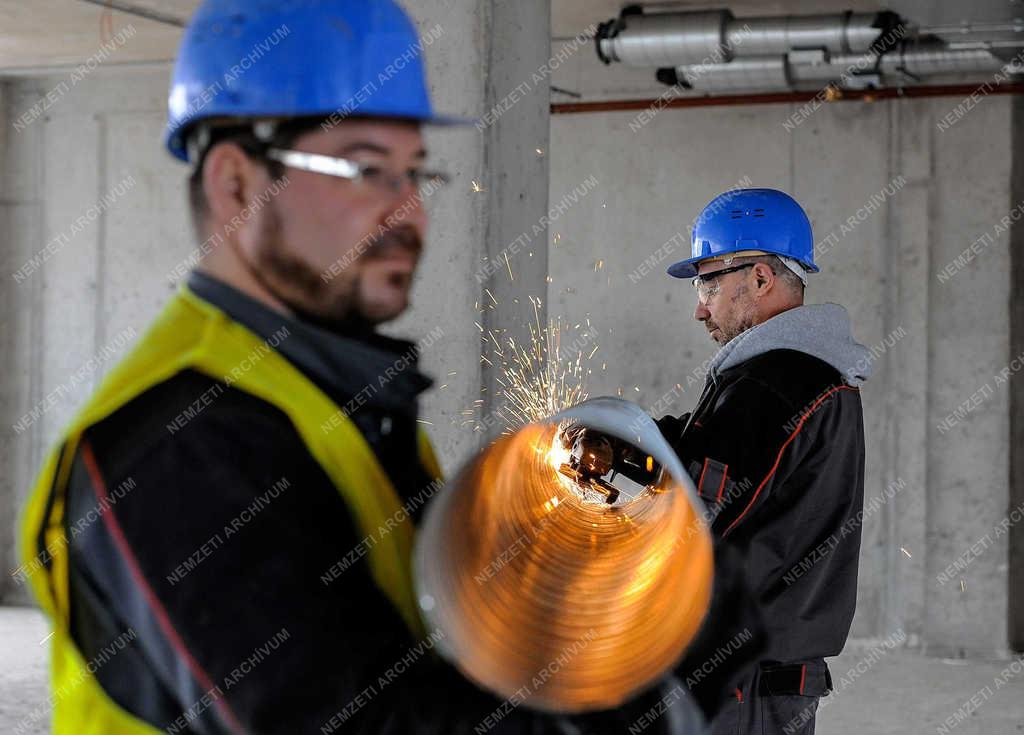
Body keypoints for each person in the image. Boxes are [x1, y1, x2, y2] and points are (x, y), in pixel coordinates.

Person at [19, 1, 712, 732]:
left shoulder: (336, 400)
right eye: (365, 167)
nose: (409, 211)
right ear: (235, 184)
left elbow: (413, 654)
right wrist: (638, 699)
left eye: (415, 172)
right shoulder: (181, 444)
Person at [578, 188, 871, 734]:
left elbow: (695, 508)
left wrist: (609, 467)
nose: (699, 307)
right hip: (762, 677)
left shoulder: (776, 381)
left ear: (760, 278)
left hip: (744, 684)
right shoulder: (792, 377)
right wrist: (624, 438)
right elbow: (707, 450)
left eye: (709, 282)